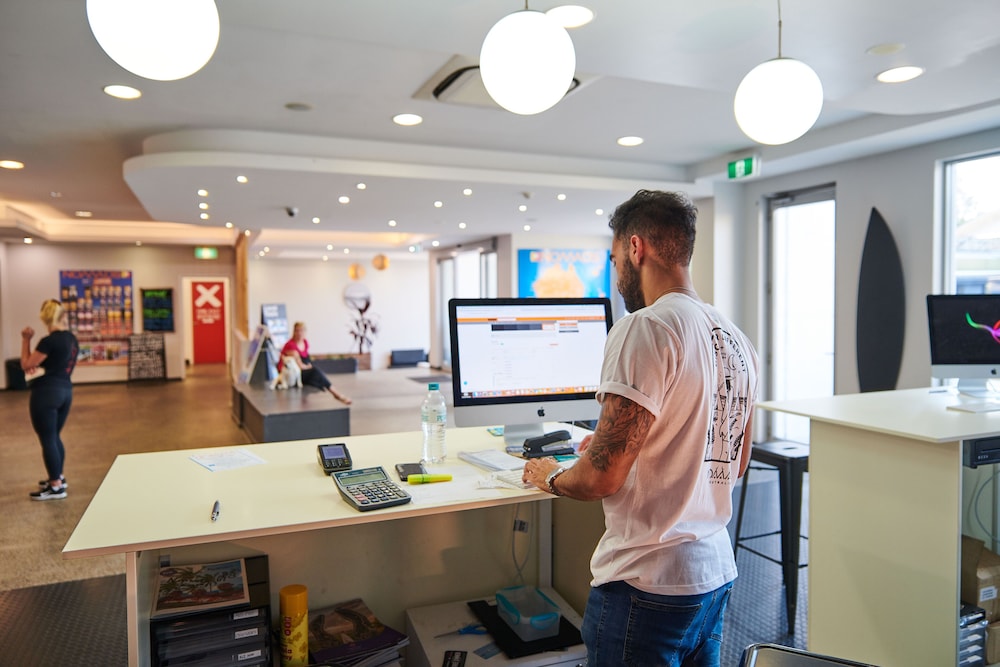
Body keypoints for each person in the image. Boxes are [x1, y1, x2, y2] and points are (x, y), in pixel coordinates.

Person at [523, 190, 759, 666]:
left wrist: (547, 473)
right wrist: (641, 447)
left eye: (614, 260)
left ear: (636, 248)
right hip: (713, 577)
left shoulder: (645, 327)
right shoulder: (737, 339)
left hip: (646, 584)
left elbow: (601, 477)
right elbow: (732, 461)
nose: (616, 275)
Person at [21, 298, 80, 501]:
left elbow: (25, 363)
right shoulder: (72, 339)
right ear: (63, 316)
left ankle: (55, 487)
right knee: (54, 436)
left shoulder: (49, 341)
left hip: (46, 393)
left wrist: (26, 339)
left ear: (44, 318)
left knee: (47, 438)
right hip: (66, 391)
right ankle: (58, 478)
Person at [279, 322, 352, 404]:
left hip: (304, 370)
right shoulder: (291, 345)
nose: (299, 333)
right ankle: (337, 394)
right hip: (294, 374)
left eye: (301, 331)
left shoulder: (305, 342)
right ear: (294, 332)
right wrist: (309, 367)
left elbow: (306, 359)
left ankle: (334, 392)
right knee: (316, 372)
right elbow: (299, 366)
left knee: (318, 374)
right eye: (297, 331)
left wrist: (309, 366)